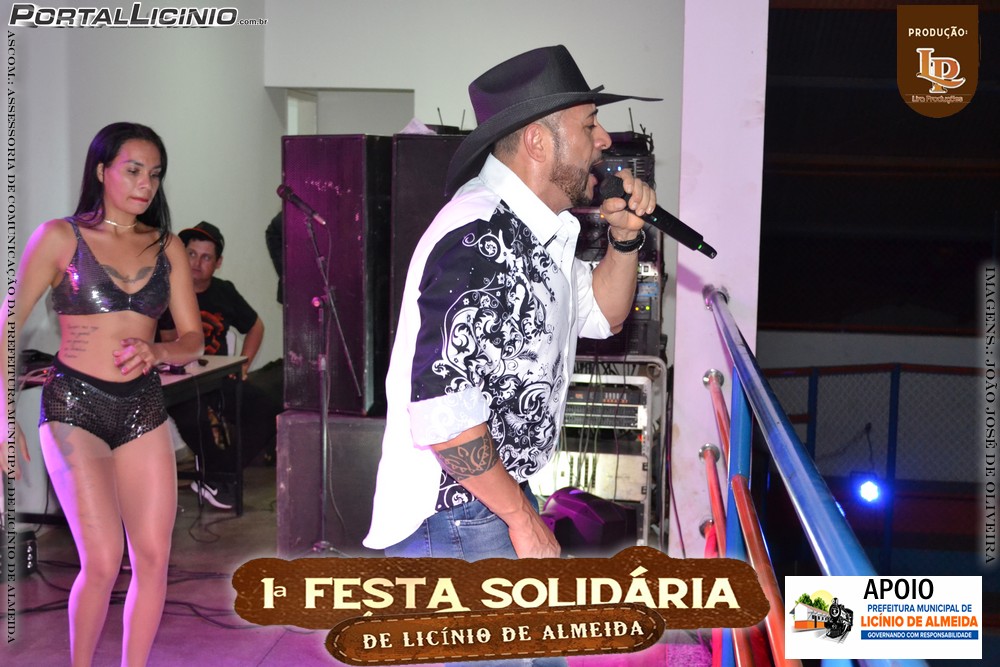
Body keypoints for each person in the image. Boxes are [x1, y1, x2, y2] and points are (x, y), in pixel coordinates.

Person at [364, 43, 660, 573]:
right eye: (589, 123)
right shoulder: (481, 239)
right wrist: (521, 517)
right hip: (456, 516)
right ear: (537, 141)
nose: (604, 139)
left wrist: (624, 239)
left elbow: (604, 313)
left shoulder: (534, 230)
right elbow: (443, 414)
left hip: (488, 501)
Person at [2, 122, 203, 666]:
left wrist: (159, 351)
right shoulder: (59, 237)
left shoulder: (167, 245)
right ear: (101, 170)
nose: (145, 184)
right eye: (133, 170)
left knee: (153, 559)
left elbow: (193, 339)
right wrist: (3, 418)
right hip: (74, 406)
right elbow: (7, 325)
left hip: (142, 407)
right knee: (104, 558)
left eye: (154, 174)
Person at [157, 221, 264, 379]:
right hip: (174, 379)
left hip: (217, 379)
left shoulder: (225, 291)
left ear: (218, 262)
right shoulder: (162, 290)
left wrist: (243, 366)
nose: (197, 263)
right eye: (191, 254)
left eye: (206, 257)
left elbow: (256, 327)